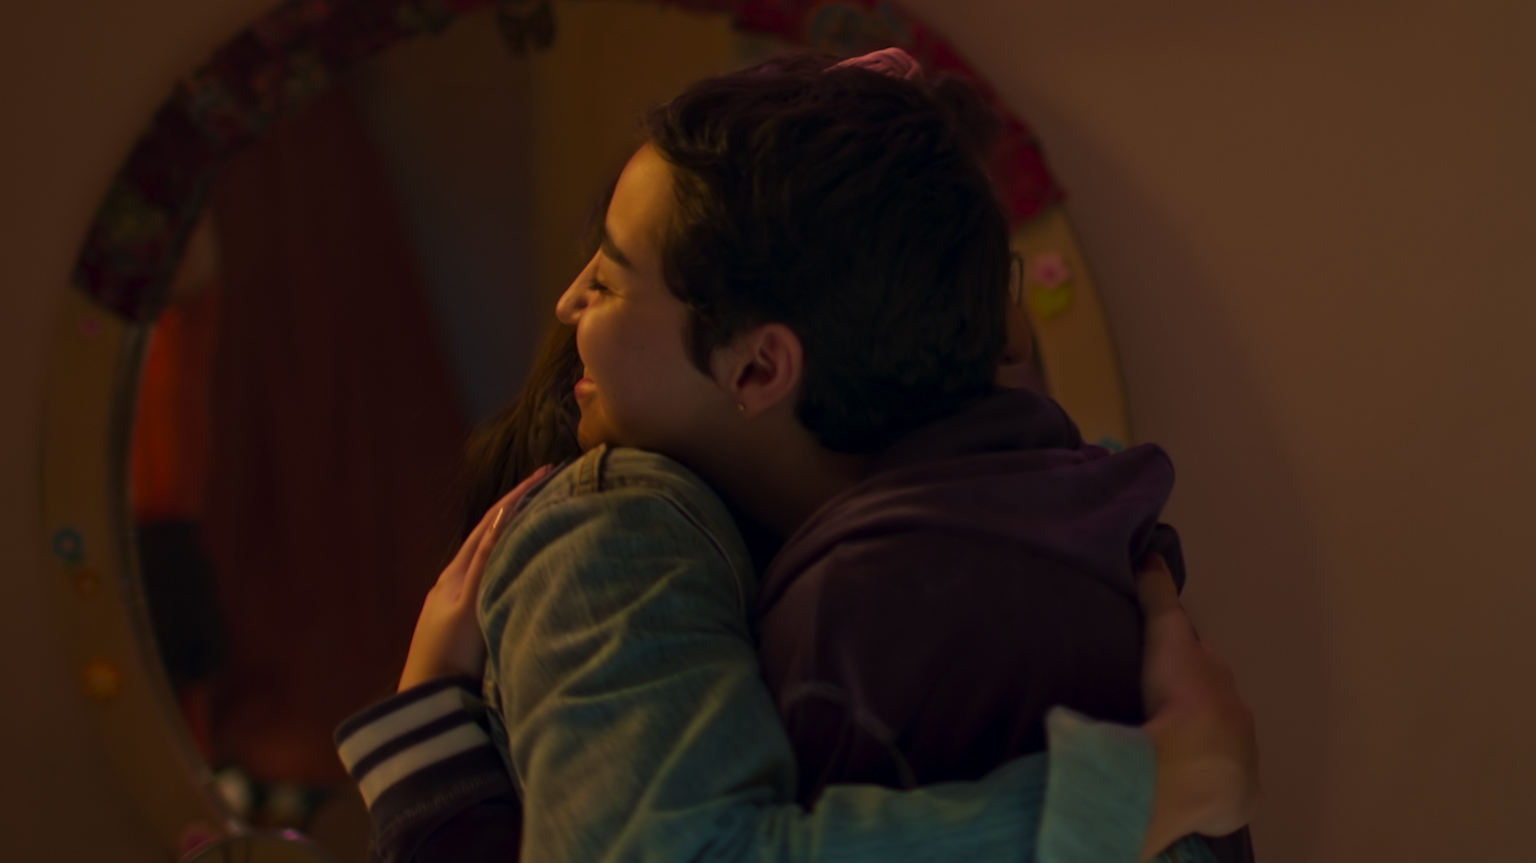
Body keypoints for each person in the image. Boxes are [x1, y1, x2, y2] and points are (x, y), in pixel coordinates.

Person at [336, 52, 1259, 862]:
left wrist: (429, 763)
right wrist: (1156, 792)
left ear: (758, 367)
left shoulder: (732, 543)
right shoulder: (1053, 529)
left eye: (609, 279)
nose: (568, 302)